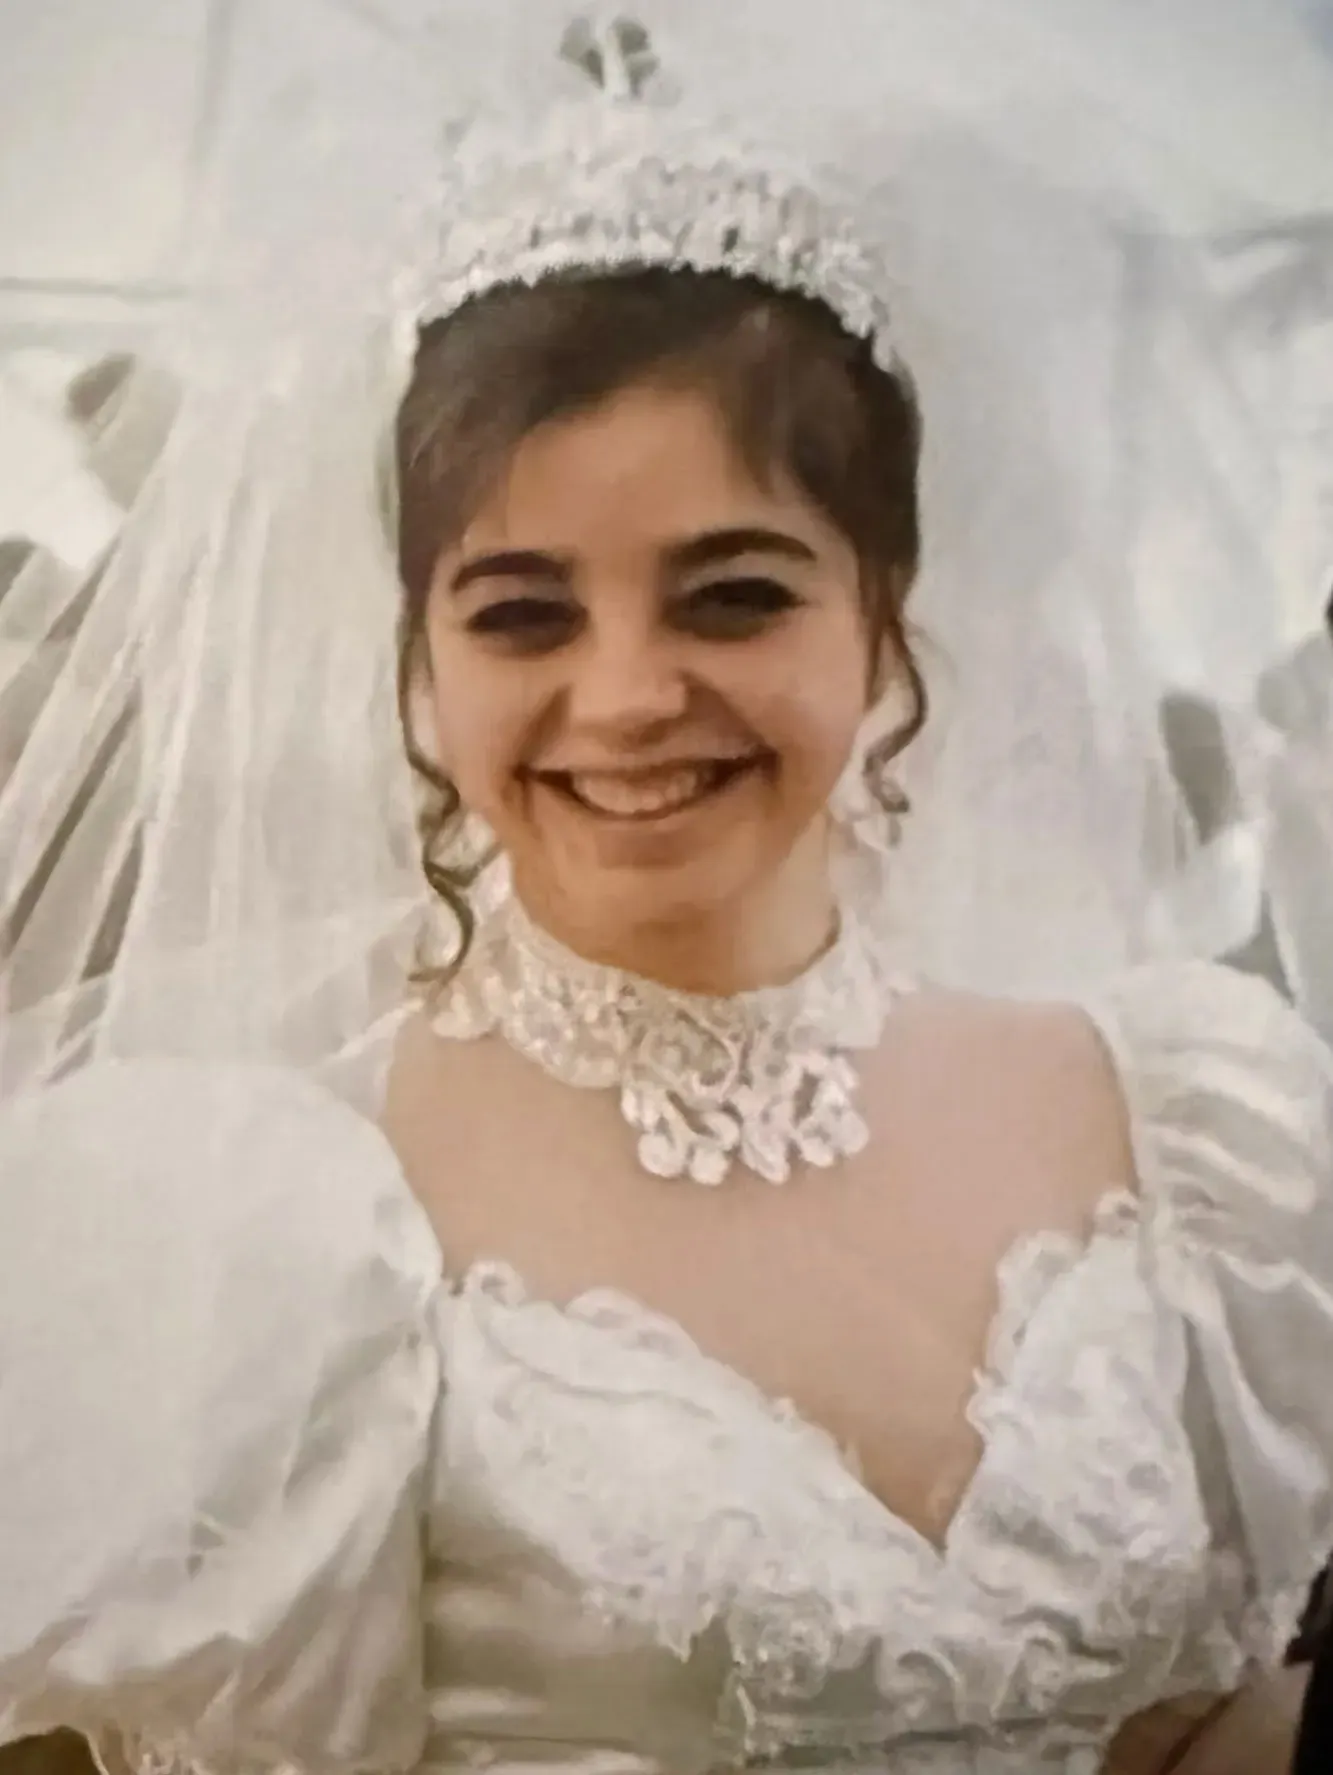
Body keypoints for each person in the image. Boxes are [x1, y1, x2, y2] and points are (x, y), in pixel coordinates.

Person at [2, 8, 1332, 1774]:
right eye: (524, 612)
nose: (627, 694)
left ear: (884, 604)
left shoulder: (1185, 1132)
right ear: (416, 663)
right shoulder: (261, 1239)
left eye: (732, 595)